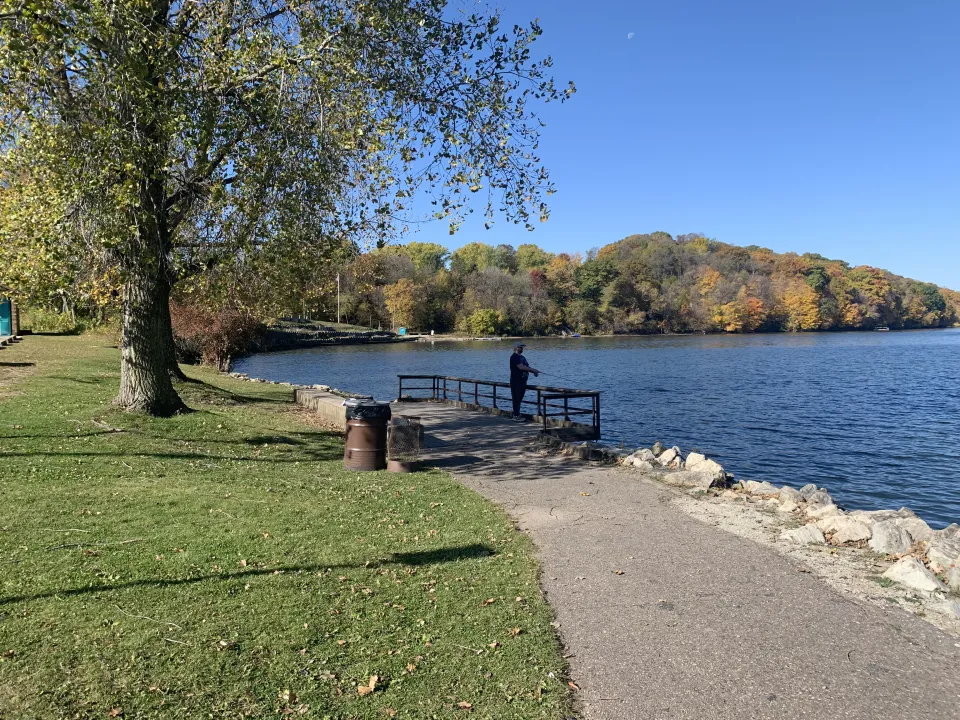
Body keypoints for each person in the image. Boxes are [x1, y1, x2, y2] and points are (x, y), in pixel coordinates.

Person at [509, 343, 540, 421]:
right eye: (520, 347)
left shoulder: (523, 358)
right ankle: (516, 415)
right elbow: (521, 367)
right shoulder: (514, 357)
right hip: (516, 381)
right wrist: (532, 370)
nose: (522, 349)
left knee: (520, 398)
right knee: (516, 398)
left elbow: (527, 367)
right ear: (516, 348)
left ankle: (517, 414)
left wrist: (534, 372)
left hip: (523, 381)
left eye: (522, 347)